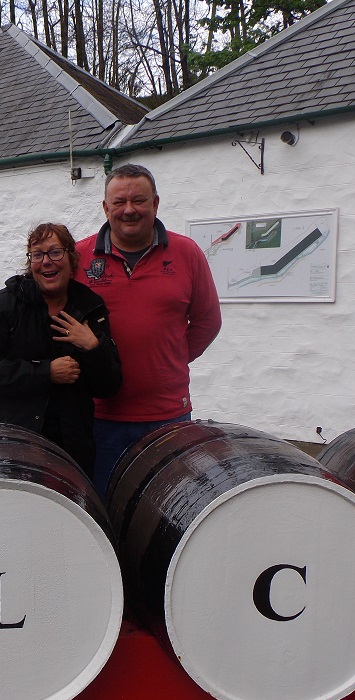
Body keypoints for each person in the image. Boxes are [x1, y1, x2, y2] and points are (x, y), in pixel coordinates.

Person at [75, 164, 223, 496]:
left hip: (167, 415)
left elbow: (207, 321)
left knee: (167, 510)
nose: (129, 210)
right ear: (105, 207)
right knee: (102, 507)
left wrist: (169, 357)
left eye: (139, 200)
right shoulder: (80, 258)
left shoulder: (187, 253)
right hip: (99, 417)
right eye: (119, 201)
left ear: (155, 204)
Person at [0, 222, 122, 479]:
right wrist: (45, 372)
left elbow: (108, 386)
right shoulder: (4, 306)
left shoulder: (90, 307)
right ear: (30, 263)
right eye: (37, 254)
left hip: (71, 449)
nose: (46, 261)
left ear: (72, 260)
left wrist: (93, 347)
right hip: (11, 445)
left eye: (55, 252)